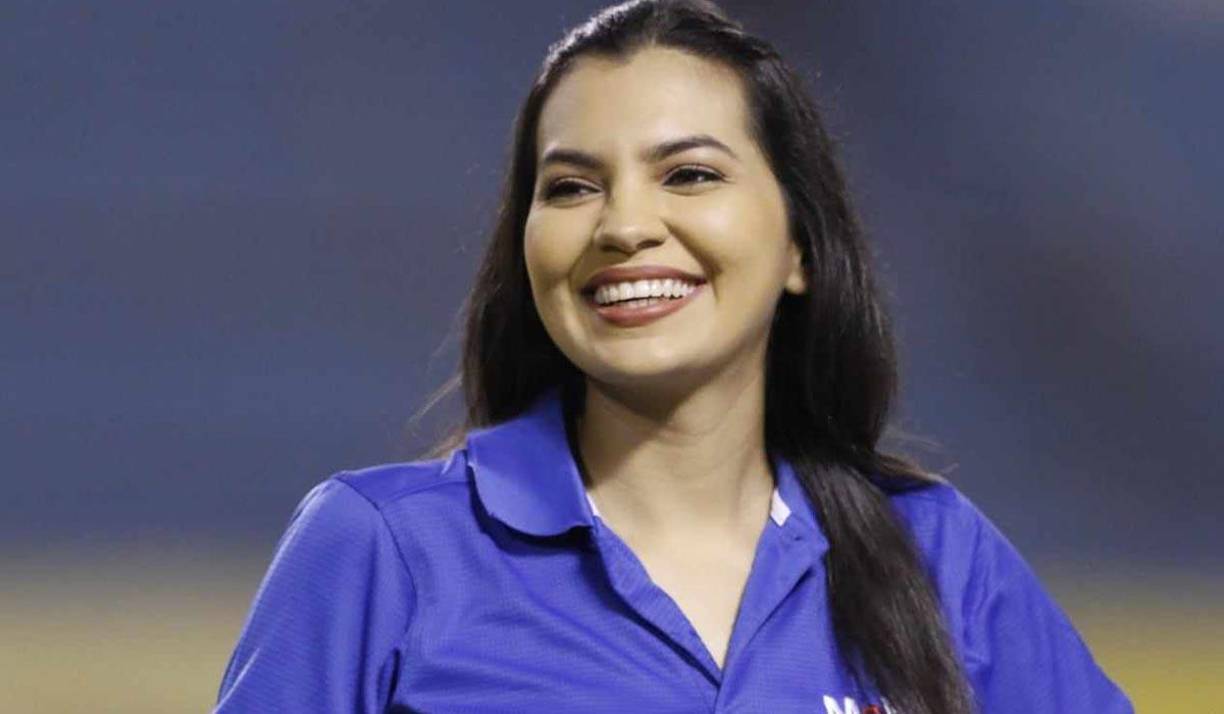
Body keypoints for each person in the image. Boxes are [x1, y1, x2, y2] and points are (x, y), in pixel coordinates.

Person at [215, 1, 1133, 712]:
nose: (623, 226)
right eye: (571, 186)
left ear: (800, 248)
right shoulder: (380, 550)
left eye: (689, 174)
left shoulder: (936, 557)